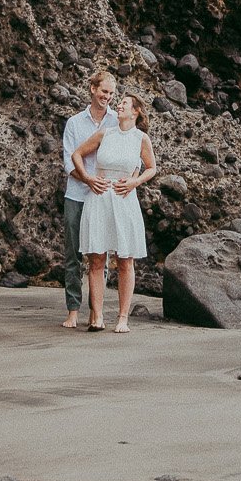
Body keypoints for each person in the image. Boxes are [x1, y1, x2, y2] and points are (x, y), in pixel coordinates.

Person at [70, 89, 157, 333]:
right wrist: (88, 178)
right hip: (99, 198)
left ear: (135, 111)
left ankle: (122, 318)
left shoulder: (141, 138)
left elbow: (151, 168)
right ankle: (97, 316)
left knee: (124, 260)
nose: (118, 106)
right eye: (119, 103)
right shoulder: (104, 134)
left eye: (124, 104)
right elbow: (76, 154)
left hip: (124, 199)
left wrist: (135, 182)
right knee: (96, 259)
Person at [59, 68, 117, 330]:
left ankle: (97, 312)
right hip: (77, 195)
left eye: (112, 93)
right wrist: (89, 180)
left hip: (103, 197)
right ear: (93, 89)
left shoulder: (116, 122)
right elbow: (69, 162)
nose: (108, 97)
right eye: (104, 91)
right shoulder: (74, 123)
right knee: (72, 255)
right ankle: (73, 310)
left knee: (100, 256)